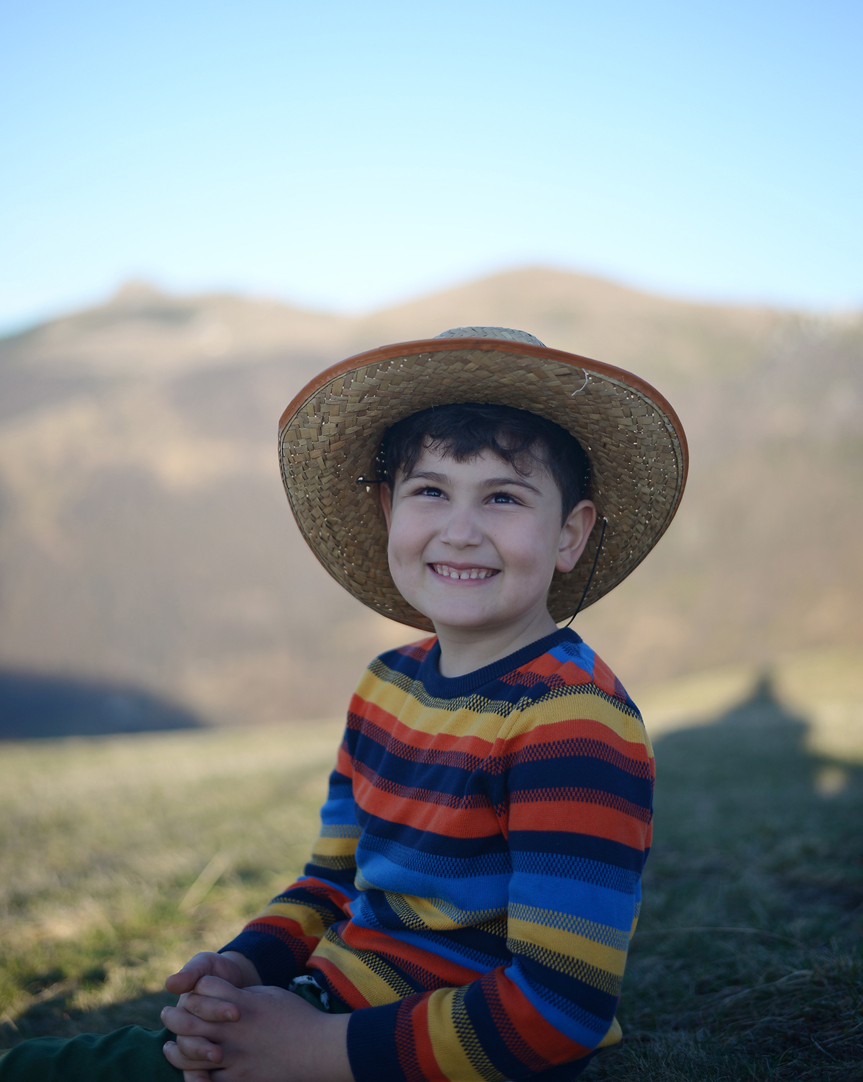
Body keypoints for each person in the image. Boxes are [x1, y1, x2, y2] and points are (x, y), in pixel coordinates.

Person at [0, 327, 687, 1081]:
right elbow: (332, 883)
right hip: (321, 1009)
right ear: (390, 509)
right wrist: (242, 969)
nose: (460, 531)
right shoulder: (386, 686)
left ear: (568, 534)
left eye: (502, 497)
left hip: (417, 1057)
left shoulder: (570, 721)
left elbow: (561, 1011)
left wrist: (315, 1051)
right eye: (431, 491)